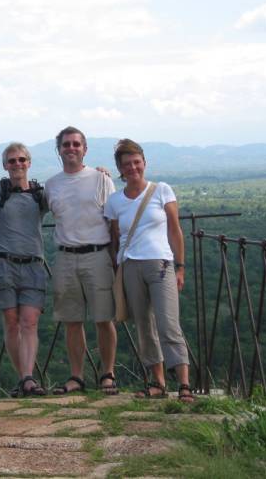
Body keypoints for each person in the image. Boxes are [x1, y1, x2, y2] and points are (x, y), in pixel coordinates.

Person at [104, 138, 194, 402]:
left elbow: (175, 230)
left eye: (136, 162)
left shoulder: (162, 190)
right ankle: (158, 382)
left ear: (144, 163)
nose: (133, 168)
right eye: (127, 164)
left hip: (161, 264)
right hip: (130, 266)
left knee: (169, 324)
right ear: (120, 169)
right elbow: (114, 238)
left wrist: (180, 266)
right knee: (144, 325)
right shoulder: (115, 201)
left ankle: (185, 383)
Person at [44, 126, 119, 395]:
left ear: (85, 149)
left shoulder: (101, 179)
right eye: (66, 144)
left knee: (104, 318)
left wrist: (116, 258)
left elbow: (114, 222)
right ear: (59, 150)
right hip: (65, 257)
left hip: (98, 255)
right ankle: (76, 376)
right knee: (71, 320)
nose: (71, 148)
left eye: (76, 144)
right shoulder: (51, 184)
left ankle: (107, 373)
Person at [0, 142, 48, 397]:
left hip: (33, 264)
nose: (17, 164)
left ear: (29, 163)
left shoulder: (41, 193)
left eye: (21, 160)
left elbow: (71, 198)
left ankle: (27, 378)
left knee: (29, 322)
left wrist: (100, 173)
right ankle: (25, 378)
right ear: (5, 166)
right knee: (11, 322)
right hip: (3, 263)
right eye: (12, 161)